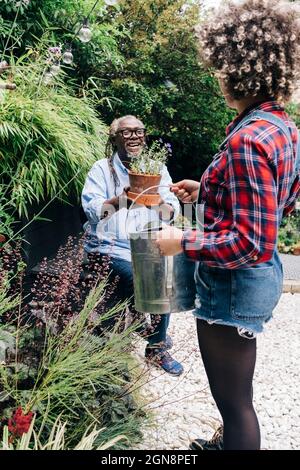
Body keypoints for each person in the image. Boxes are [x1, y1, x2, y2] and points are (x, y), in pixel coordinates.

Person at [156, 0, 300, 450]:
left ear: (235, 67)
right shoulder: (280, 128)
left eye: (219, 65)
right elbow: (280, 202)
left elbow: (249, 243)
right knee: (239, 397)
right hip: (257, 281)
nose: (217, 74)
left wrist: (182, 239)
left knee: (236, 407)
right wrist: (209, 191)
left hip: (234, 287)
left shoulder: (246, 140)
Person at [81, 114, 183, 376]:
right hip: (108, 246)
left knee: (165, 275)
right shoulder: (101, 169)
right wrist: (122, 199)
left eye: (139, 131)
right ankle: (151, 335)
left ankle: (154, 344)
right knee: (144, 277)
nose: (134, 136)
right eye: (126, 132)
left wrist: (156, 202)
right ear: (114, 138)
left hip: (146, 245)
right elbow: (93, 211)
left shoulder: (155, 168)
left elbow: (173, 208)